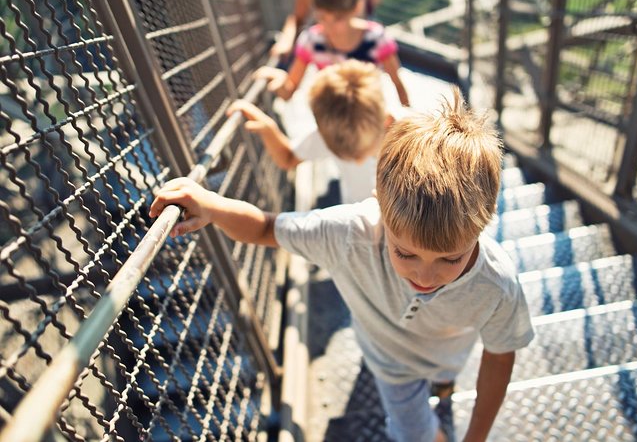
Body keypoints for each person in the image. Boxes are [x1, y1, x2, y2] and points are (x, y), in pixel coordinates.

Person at [149, 88, 535, 442]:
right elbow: (267, 228)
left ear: (485, 223)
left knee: (443, 376)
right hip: (390, 367)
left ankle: (443, 385)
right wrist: (212, 206)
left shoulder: (496, 286)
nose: (425, 274)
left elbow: (500, 355)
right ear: (378, 204)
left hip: (448, 351)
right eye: (405, 253)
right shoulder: (348, 235)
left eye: (450, 258)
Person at [228, 60, 396, 204]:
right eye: (346, 155)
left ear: (387, 121)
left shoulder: (414, 138)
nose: (357, 161)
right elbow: (287, 158)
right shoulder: (333, 135)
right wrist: (268, 128)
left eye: (360, 152)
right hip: (361, 217)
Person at [261, 0, 409, 106]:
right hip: (331, 115)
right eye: (322, 18)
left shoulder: (377, 39)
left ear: (356, 7)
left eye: (338, 18)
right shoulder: (311, 41)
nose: (330, 27)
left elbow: (399, 87)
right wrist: (280, 82)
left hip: (368, 113)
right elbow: (289, 92)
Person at [271, 0, 384, 59]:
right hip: (328, 44)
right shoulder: (312, 39)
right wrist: (286, 40)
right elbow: (298, 18)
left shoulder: (375, 35)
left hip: (360, 41)